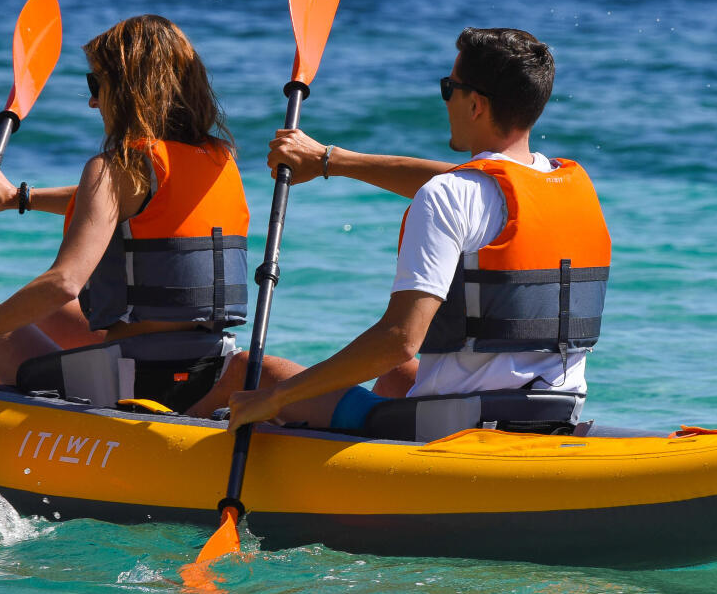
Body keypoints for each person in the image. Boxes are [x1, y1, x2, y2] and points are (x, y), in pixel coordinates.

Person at [221, 26, 611, 440]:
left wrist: (277, 398)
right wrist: (329, 161)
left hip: (462, 425)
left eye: (450, 87)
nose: (445, 98)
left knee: (257, 374)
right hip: (556, 411)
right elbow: (474, 187)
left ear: (475, 104)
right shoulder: (572, 188)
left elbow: (399, 340)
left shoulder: (448, 197)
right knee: (396, 377)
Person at [0, 14, 253, 415]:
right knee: (52, 318)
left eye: (97, 84)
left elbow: (64, 283)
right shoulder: (219, 160)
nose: (93, 100)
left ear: (129, 92)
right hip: (206, 364)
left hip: (135, 377)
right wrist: (22, 197)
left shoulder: (114, 167)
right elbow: (128, 206)